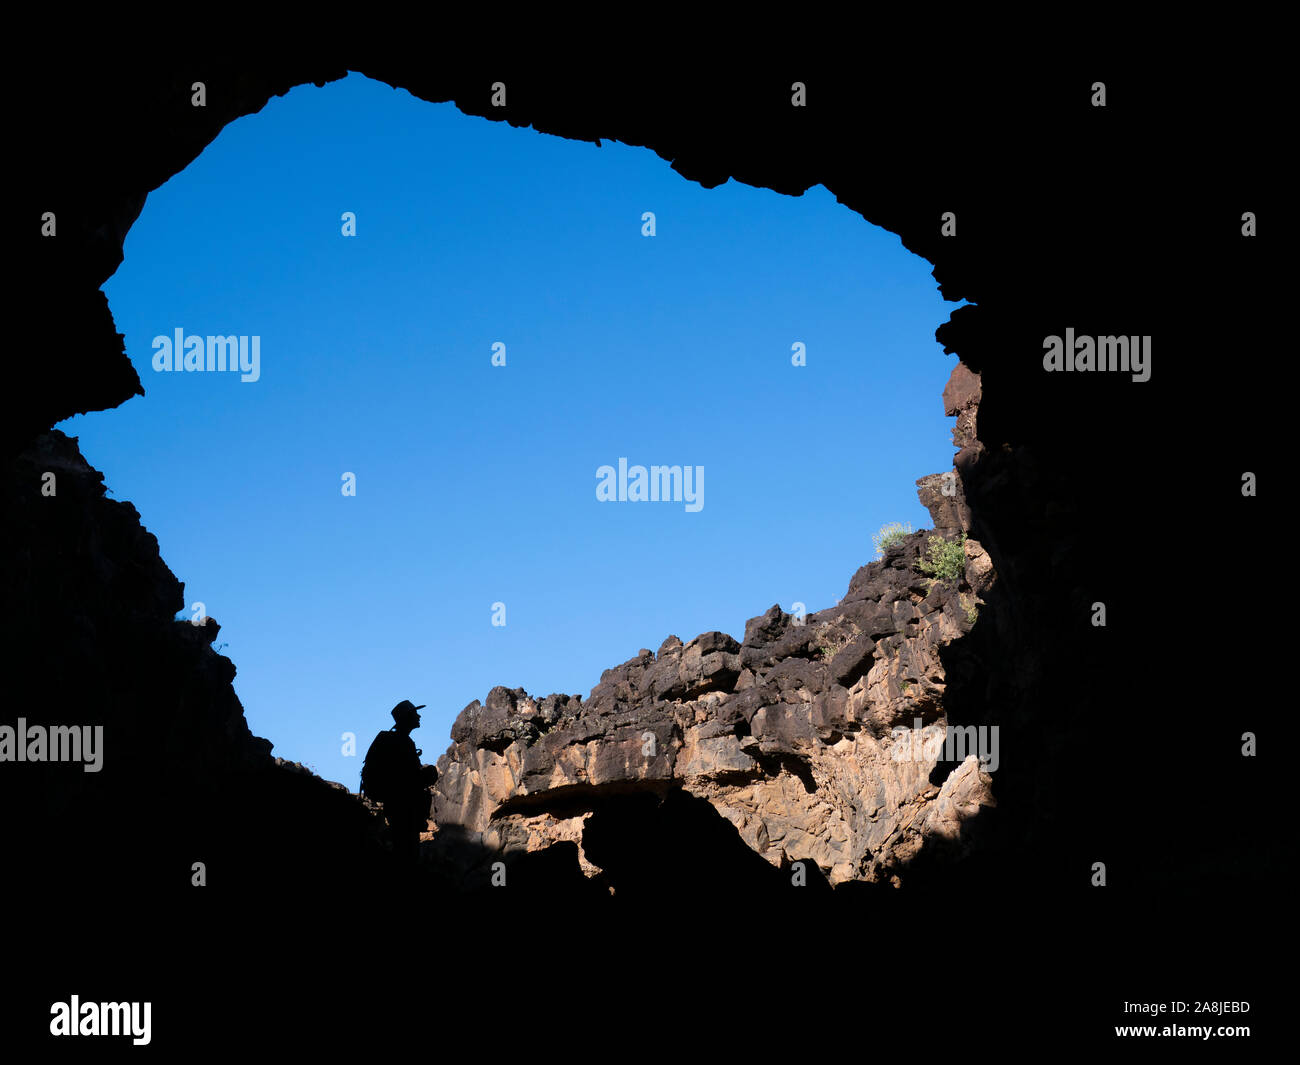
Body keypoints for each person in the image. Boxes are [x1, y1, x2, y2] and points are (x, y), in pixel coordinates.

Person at [361, 700, 439, 867]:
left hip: (396, 805)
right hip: (403, 806)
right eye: (414, 713)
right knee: (407, 851)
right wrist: (428, 774)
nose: (419, 716)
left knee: (402, 847)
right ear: (407, 718)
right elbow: (408, 777)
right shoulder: (402, 742)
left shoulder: (394, 741)